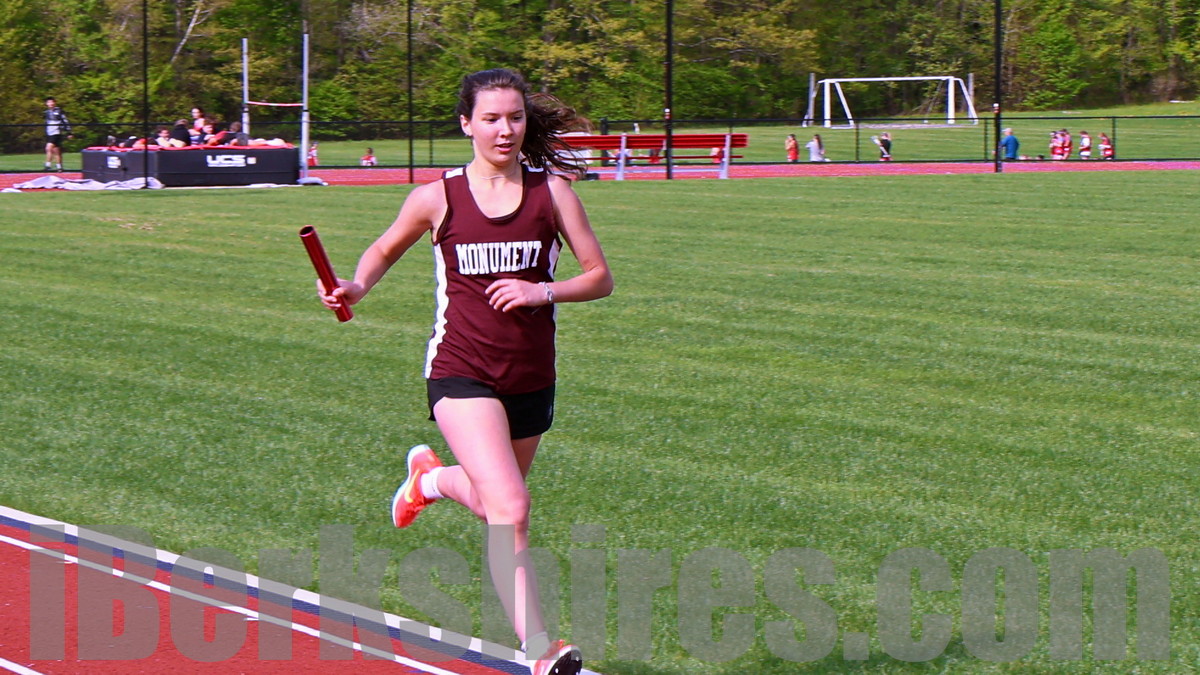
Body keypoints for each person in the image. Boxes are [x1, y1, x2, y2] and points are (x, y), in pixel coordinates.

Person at [316, 68, 612, 675]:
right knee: (513, 508)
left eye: (515, 117)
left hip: (531, 375)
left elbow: (599, 278)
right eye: (491, 118)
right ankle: (541, 650)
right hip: (461, 371)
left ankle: (430, 481)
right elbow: (384, 249)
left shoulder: (553, 194)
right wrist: (356, 285)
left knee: (492, 505)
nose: (505, 130)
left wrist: (541, 292)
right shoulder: (439, 197)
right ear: (466, 124)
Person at [43, 97, 72, 172]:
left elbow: (65, 121)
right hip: (49, 133)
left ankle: (47, 165)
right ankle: (59, 167)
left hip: (56, 132)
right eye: (48, 102)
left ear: (54, 103)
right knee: (56, 151)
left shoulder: (59, 111)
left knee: (48, 148)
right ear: (46, 104)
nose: (50, 104)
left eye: (52, 102)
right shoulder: (46, 112)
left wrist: (69, 132)